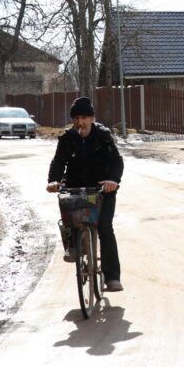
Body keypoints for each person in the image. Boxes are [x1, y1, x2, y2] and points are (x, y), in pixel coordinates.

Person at [46, 96, 124, 292]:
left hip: (102, 189)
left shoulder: (103, 136)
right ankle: (72, 245)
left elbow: (117, 161)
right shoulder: (67, 139)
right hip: (75, 190)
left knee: (105, 227)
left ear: (92, 118)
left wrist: (113, 180)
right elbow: (58, 162)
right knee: (69, 217)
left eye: (84, 118)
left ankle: (112, 276)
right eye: (76, 118)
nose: (80, 122)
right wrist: (53, 181)